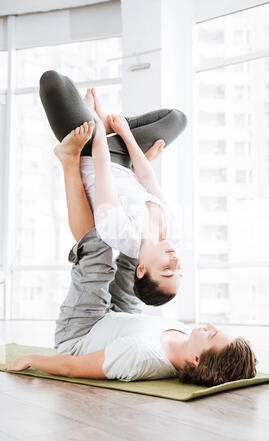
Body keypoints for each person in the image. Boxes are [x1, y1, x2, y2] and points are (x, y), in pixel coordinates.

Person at [6, 112, 258, 385]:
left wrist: (32, 360)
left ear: (196, 359)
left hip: (82, 331)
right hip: (120, 316)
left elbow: (72, 367)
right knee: (141, 249)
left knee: (99, 248)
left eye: (211, 335)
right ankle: (126, 172)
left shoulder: (141, 357)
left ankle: (69, 160)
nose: (209, 326)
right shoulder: (186, 336)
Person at [39, 70, 188, 306]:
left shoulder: (120, 234)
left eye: (167, 271)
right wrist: (125, 134)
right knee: (177, 119)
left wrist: (97, 123)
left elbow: (102, 169)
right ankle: (109, 126)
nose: (175, 262)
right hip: (123, 158)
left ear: (141, 270)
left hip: (89, 150)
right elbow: (148, 180)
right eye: (179, 270)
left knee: (54, 83)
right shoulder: (173, 233)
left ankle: (102, 125)